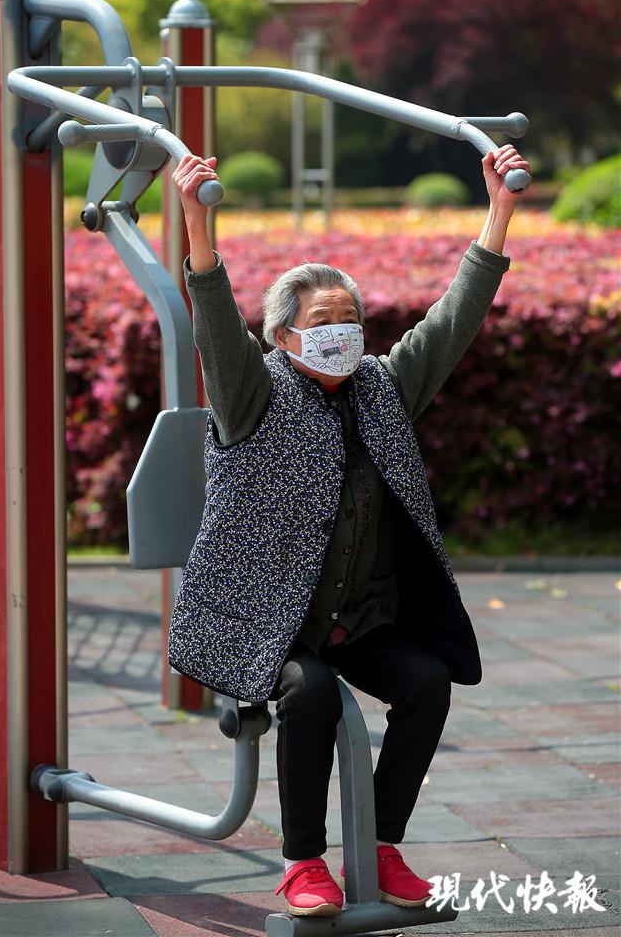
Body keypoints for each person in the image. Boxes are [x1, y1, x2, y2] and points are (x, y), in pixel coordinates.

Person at [170, 144, 531, 917]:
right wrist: (198, 223)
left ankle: (381, 847)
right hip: (273, 622)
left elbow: (453, 322)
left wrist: (498, 212)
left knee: (426, 682)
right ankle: (303, 862)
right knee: (313, 699)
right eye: (322, 323)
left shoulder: (382, 387)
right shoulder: (252, 394)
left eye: (350, 321)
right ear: (283, 338)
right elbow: (216, 329)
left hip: (361, 618)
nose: (341, 333)